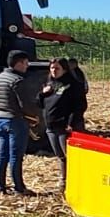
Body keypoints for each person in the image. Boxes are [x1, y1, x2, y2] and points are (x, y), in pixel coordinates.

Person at [0, 50, 36, 196]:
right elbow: (24, 104)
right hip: (15, 121)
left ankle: (0, 186)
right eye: (25, 63)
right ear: (19, 63)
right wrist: (34, 117)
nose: (27, 66)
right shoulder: (17, 81)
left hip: (0, 120)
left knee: (3, 155)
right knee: (16, 156)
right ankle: (19, 188)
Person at [39, 58, 86, 188]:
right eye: (52, 68)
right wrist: (42, 95)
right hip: (51, 126)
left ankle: (76, 181)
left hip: (65, 126)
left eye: (57, 68)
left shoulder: (73, 85)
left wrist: (71, 123)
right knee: (61, 156)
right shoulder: (49, 83)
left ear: (64, 69)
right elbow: (40, 104)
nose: (54, 70)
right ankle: (64, 180)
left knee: (71, 156)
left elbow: (80, 106)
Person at [65, 57, 89, 131]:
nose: (69, 66)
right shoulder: (77, 72)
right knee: (77, 115)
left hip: (77, 100)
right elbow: (86, 88)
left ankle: (73, 129)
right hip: (79, 100)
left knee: (75, 114)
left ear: (74, 64)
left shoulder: (76, 73)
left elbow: (84, 87)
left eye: (70, 64)